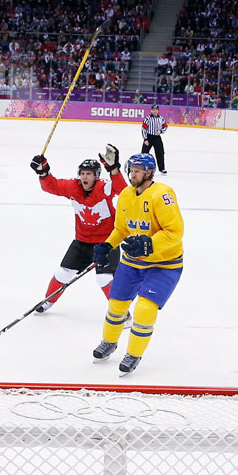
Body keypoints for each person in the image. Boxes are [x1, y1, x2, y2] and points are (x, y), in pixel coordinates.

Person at [92, 153, 183, 374]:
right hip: (132, 262)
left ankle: (133, 354)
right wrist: (107, 245)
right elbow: (122, 229)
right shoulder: (125, 195)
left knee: (144, 310)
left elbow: (175, 232)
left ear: (149, 172)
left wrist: (149, 244)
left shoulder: (162, 195)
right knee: (116, 305)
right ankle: (109, 342)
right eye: (131, 170)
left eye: (137, 170)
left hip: (164, 265)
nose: (132, 174)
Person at [28, 144, 127, 314]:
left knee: (103, 279)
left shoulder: (104, 187)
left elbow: (123, 190)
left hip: (107, 243)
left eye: (88, 174)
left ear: (97, 176)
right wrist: (43, 172)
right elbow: (51, 186)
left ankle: (121, 313)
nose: (84, 177)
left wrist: (114, 169)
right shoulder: (73, 187)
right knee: (62, 273)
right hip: (82, 242)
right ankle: (48, 301)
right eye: (82, 173)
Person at [139, 104, 168, 173]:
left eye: (156, 110)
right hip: (149, 137)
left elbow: (165, 126)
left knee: (160, 153)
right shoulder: (147, 119)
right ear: (151, 111)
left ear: (158, 111)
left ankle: (162, 168)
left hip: (157, 138)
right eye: (153, 110)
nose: (155, 111)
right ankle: (143, 167)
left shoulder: (161, 118)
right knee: (144, 153)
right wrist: (145, 139)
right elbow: (143, 129)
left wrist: (161, 131)